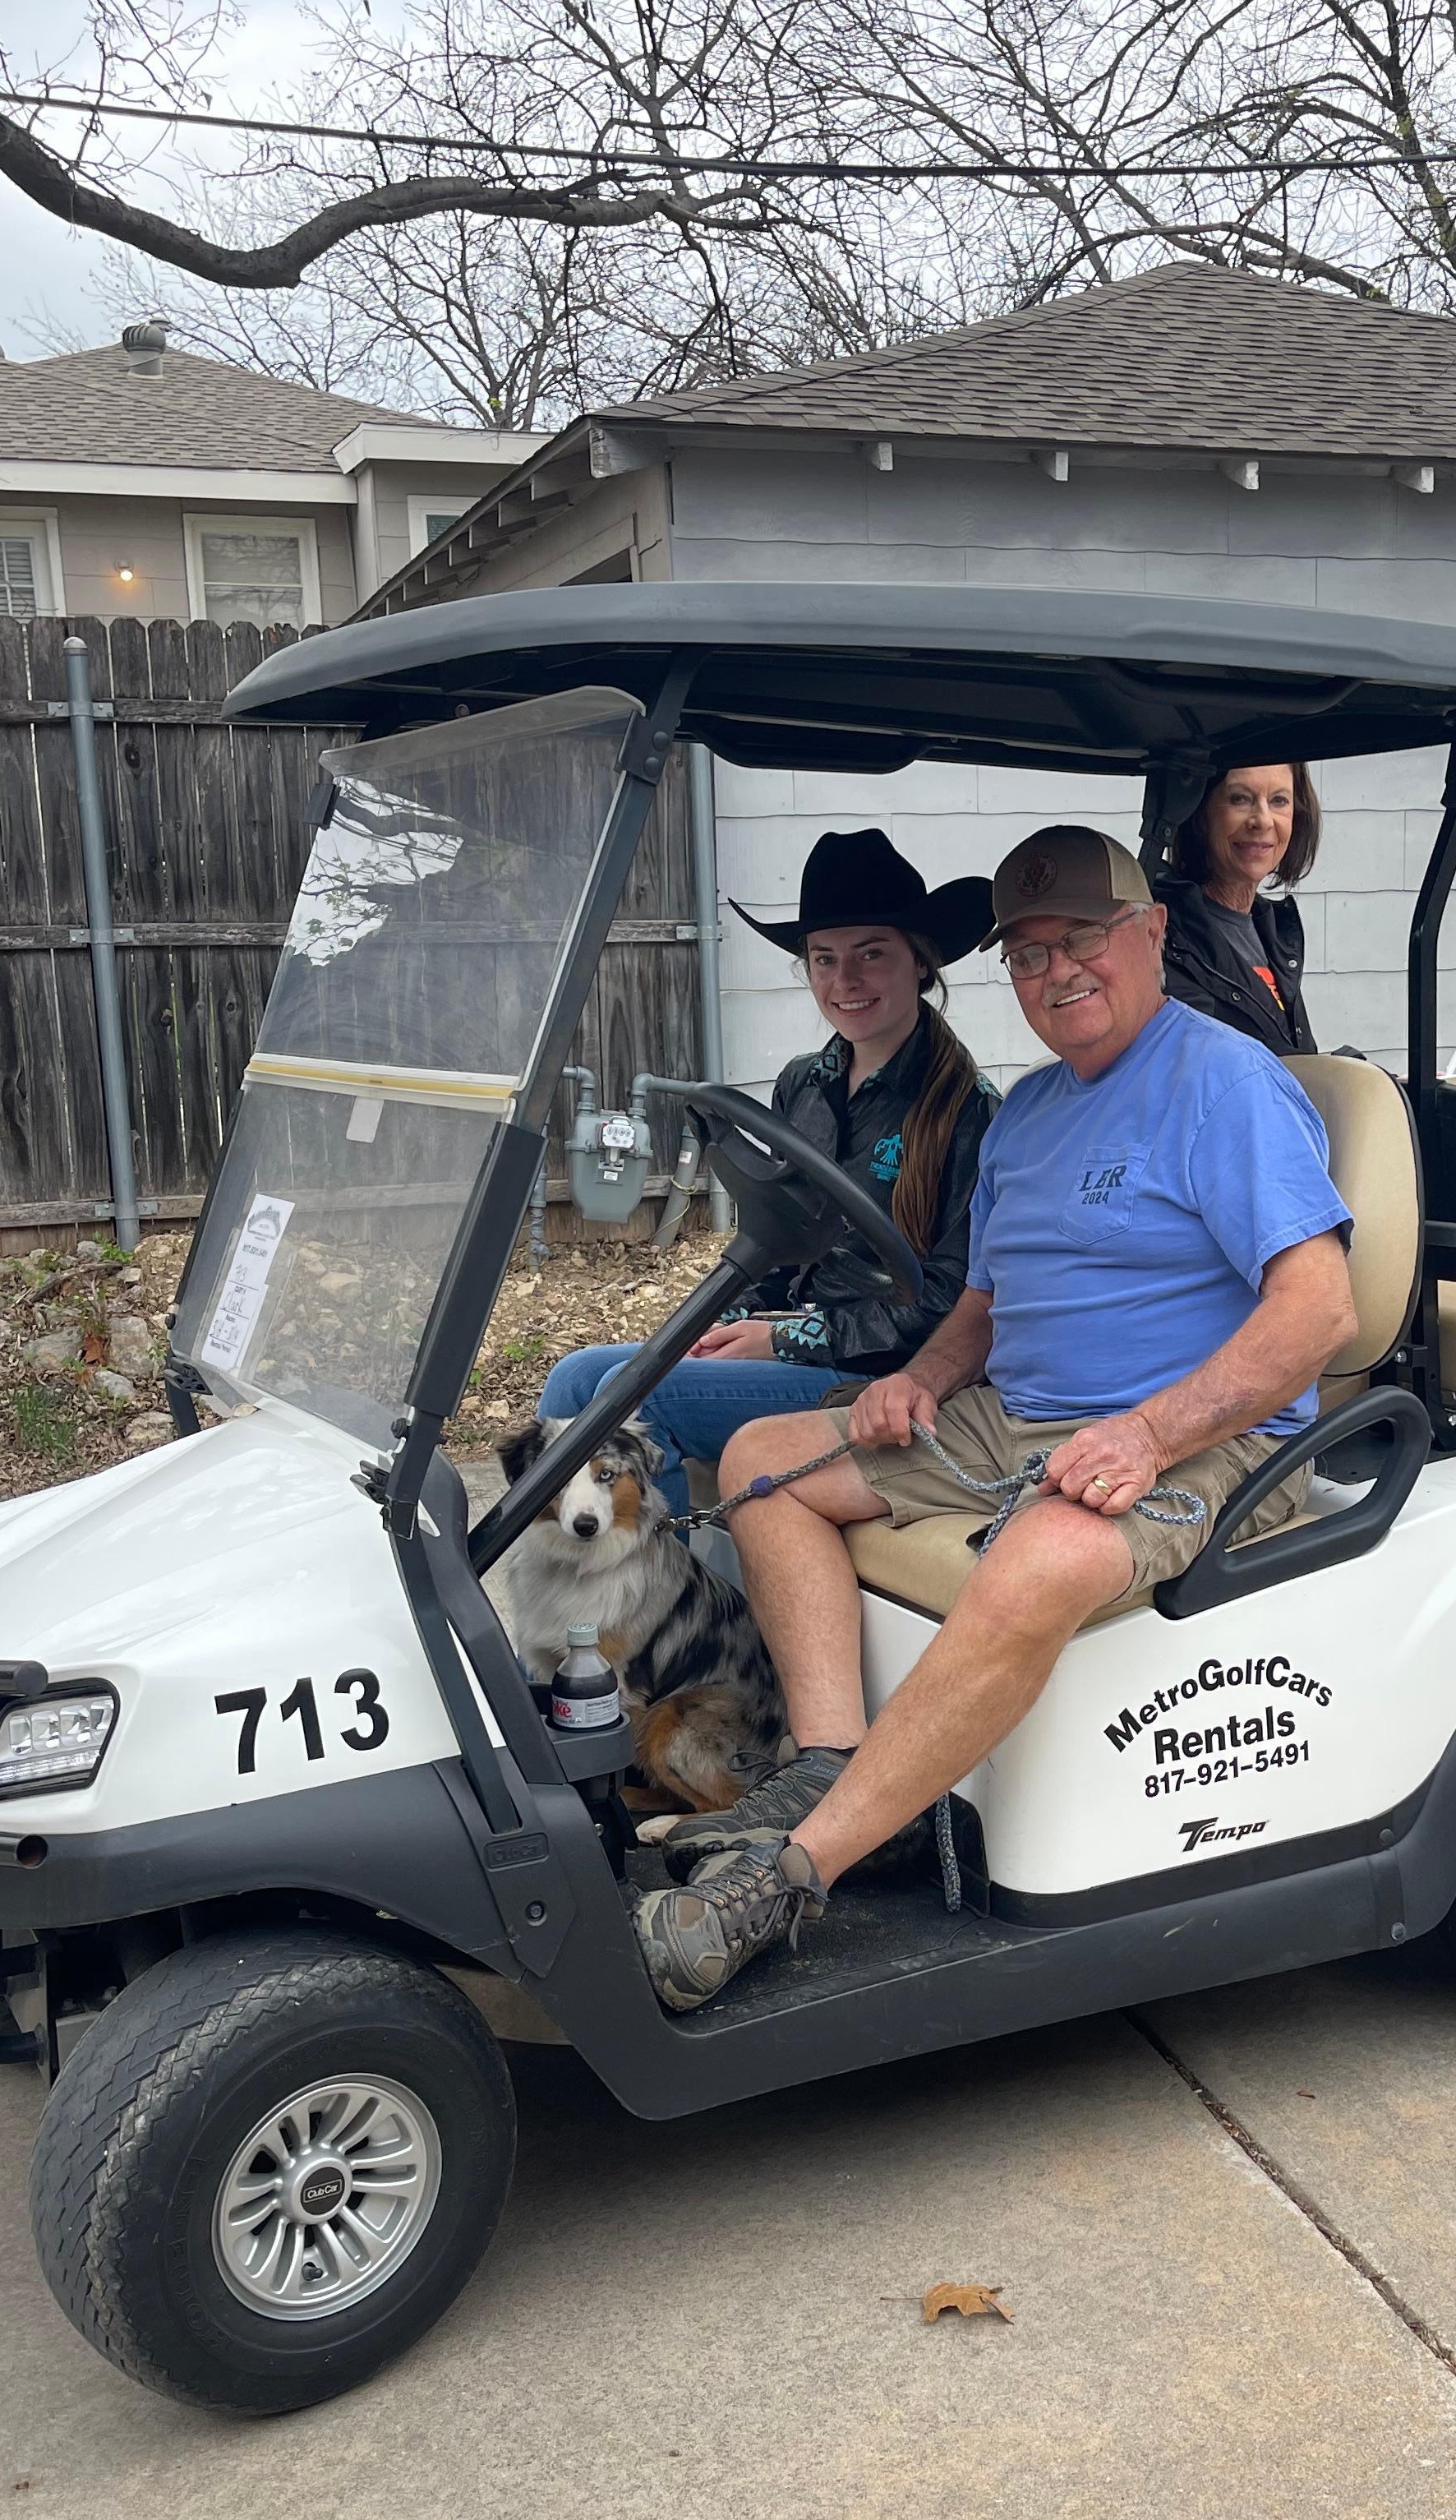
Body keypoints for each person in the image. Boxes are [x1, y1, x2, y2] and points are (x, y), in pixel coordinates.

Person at [629, 824, 1357, 2010]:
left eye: (1081, 940)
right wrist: (923, 1377)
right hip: (1018, 1417)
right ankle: (835, 1771)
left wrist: (1149, 1435)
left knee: (1041, 1558)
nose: (1056, 971)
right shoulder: (1029, 1115)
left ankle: (790, 1876)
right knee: (764, 1458)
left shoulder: (1226, 1085)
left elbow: (1317, 1311)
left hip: (1206, 1441)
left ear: (1152, 933)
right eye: (1026, 955)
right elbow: (982, 1301)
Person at [537, 828, 996, 1465]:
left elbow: (948, 1302)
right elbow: (778, 1237)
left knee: (620, 1400)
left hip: (876, 1377)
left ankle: (662, 1571)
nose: (846, 980)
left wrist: (788, 1341)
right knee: (575, 1379)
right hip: (796, 1340)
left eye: (872, 954)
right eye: (824, 958)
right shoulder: (803, 1084)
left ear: (921, 961)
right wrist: (732, 1322)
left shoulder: (969, 1112)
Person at [1154, 758, 1320, 1057]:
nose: (1263, 820)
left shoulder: (1273, 932)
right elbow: (1217, 1067)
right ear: (1200, 813)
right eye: (1240, 799)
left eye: (1279, 800)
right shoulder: (1163, 937)